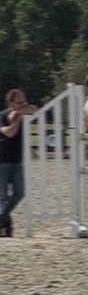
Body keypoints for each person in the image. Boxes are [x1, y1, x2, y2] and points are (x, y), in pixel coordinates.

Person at [0, 89, 37, 237]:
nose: (24, 104)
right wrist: (19, 116)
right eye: (20, 102)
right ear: (10, 103)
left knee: (19, 194)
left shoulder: (20, 113)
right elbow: (10, 132)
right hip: (2, 161)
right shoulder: (2, 116)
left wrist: (19, 111)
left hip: (17, 161)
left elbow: (34, 109)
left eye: (24, 101)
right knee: (2, 198)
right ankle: (6, 230)